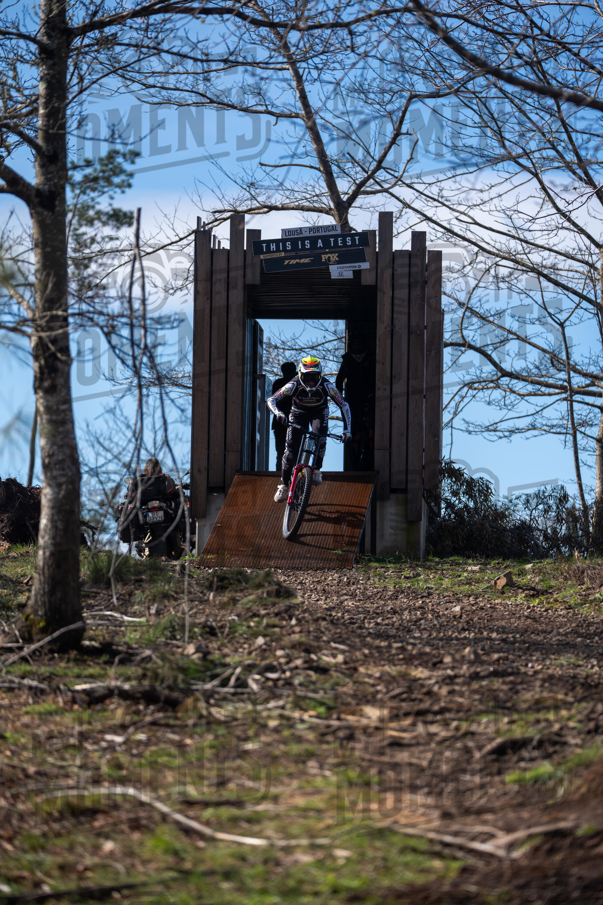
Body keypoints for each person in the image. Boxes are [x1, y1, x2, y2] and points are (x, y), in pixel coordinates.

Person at [267, 356, 352, 502]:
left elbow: (344, 405)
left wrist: (347, 430)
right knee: (289, 453)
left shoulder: (327, 385)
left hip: (318, 412)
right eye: (307, 377)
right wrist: (278, 413)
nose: (311, 382)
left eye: (314, 377)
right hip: (298, 413)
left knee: (320, 438)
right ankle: (283, 485)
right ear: (300, 375)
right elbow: (271, 400)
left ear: (320, 375)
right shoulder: (293, 384)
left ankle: (317, 469)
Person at [336, 335, 376, 470]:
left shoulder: (372, 357)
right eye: (355, 346)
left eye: (360, 346)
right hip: (352, 397)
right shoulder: (347, 359)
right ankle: (354, 452)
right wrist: (340, 398)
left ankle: (371, 447)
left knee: (372, 423)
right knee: (351, 425)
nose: (357, 349)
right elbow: (339, 380)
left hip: (370, 396)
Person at [270, 361, 297, 471]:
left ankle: (279, 475)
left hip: (280, 422)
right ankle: (295, 476)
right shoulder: (298, 384)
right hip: (294, 422)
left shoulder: (278, 383)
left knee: (281, 453)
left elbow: (274, 401)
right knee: (294, 452)